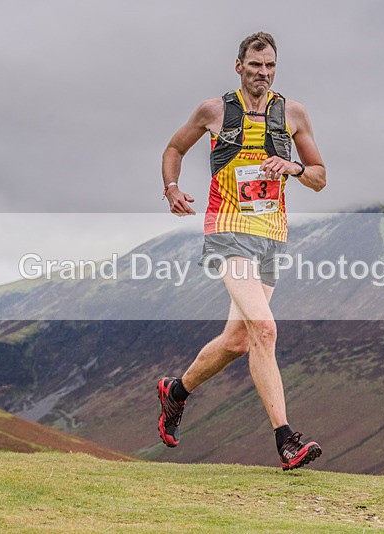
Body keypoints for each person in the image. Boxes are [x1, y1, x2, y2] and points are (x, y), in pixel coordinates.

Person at [157, 32, 326, 471]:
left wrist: (293, 167)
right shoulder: (214, 110)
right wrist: (171, 187)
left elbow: (320, 176)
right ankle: (286, 441)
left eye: (270, 66)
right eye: (255, 66)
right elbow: (175, 148)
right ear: (239, 67)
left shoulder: (293, 113)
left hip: (270, 234)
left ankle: (176, 392)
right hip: (226, 230)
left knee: (236, 342)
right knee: (265, 330)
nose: (263, 74)